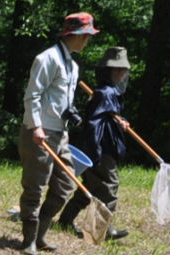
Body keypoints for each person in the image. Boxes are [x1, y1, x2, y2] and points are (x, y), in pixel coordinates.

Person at [17, 12, 96, 255]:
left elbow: (61, 101)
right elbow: (33, 95)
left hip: (60, 134)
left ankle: (41, 234)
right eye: (86, 36)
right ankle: (29, 239)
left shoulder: (72, 64)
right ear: (75, 35)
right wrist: (35, 126)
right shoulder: (47, 59)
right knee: (35, 187)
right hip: (39, 132)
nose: (88, 41)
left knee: (66, 184)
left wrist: (66, 129)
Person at [59, 46, 132, 241]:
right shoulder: (106, 93)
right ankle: (102, 229)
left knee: (91, 187)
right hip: (101, 149)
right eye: (121, 70)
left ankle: (65, 220)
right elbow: (94, 123)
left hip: (96, 148)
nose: (124, 74)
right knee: (109, 185)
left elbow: (105, 117)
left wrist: (119, 121)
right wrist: (96, 152)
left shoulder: (106, 93)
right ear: (113, 71)